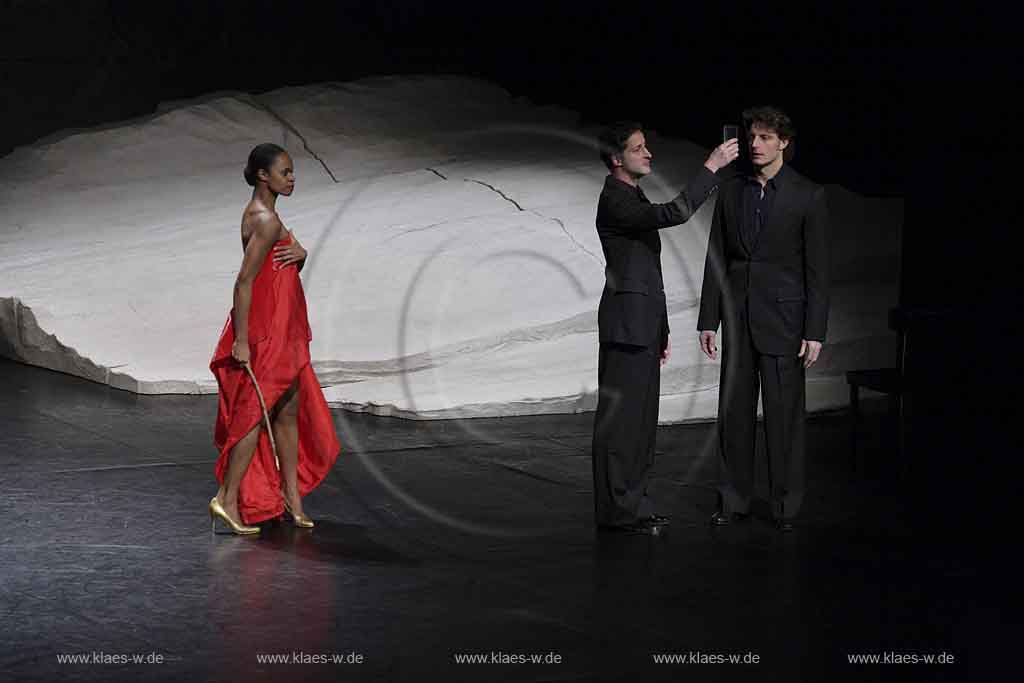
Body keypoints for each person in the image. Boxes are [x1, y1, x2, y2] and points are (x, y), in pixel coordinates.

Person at [592, 122, 738, 534]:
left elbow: (645, 271)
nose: (648, 153)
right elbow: (674, 213)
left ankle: (634, 505)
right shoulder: (615, 200)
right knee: (622, 425)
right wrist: (711, 166)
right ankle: (619, 511)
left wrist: (662, 328)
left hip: (641, 326)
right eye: (639, 148)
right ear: (617, 159)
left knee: (640, 424)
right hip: (625, 328)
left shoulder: (631, 195)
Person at [697, 106, 829, 532]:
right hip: (737, 320)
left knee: (783, 418)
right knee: (733, 416)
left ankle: (785, 505)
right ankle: (732, 500)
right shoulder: (732, 191)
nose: (755, 145)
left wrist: (814, 330)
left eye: (765, 138)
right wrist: (708, 318)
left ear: (784, 143)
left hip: (785, 323)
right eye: (752, 136)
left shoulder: (807, 195)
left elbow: (817, 270)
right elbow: (717, 255)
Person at [208, 143, 340, 535]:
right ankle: (227, 498)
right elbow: (244, 281)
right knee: (254, 412)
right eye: (285, 172)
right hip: (268, 330)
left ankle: (291, 497)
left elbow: (282, 264)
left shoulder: (267, 217)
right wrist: (243, 340)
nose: (292, 177)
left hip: (285, 327)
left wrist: (301, 254)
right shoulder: (264, 219)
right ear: (263, 176)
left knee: (285, 410)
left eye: (292, 171)